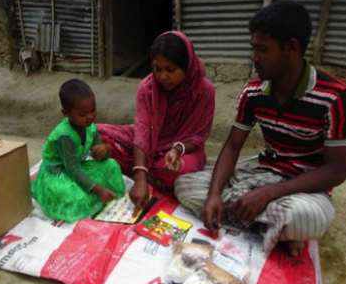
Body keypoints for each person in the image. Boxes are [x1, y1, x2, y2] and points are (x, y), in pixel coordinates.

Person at [174, 0, 346, 257]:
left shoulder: (337, 95)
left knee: (307, 219)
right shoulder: (253, 91)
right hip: (262, 171)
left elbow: (337, 171)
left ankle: (267, 219)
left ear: (291, 48)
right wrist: (215, 193)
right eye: (253, 48)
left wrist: (267, 194)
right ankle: (270, 226)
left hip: (303, 187)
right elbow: (233, 145)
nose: (253, 57)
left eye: (262, 49)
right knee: (184, 185)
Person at [98, 32, 215, 212]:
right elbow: (142, 134)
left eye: (170, 69)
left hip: (182, 149)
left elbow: (198, 136)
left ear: (187, 65)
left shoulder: (205, 91)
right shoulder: (147, 88)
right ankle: (147, 174)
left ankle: (141, 169)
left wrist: (176, 150)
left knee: (178, 170)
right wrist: (140, 178)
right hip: (147, 142)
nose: (163, 77)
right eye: (157, 69)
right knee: (96, 135)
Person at [31, 78, 125, 222]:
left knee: (112, 165)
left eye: (93, 110)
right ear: (66, 113)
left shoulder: (90, 126)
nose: (90, 116)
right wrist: (98, 189)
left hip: (81, 162)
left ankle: (95, 193)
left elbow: (96, 155)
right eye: (83, 114)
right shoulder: (65, 136)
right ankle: (94, 195)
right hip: (60, 171)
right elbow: (73, 170)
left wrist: (105, 149)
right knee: (70, 194)